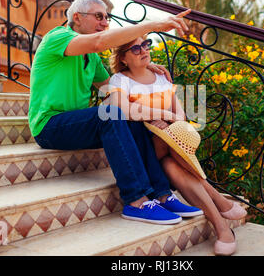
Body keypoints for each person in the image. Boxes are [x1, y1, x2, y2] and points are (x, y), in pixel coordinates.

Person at [29, 0, 202, 226]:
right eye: (98, 16)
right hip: (49, 126)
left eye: (107, 17)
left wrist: (140, 65)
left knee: (127, 115)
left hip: (75, 128)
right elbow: (100, 41)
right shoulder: (57, 38)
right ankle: (136, 201)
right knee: (110, 112)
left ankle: (161, 194)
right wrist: (153, 25)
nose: (104, 22)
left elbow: (115, 87)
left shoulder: (90, 57)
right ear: (77, 18)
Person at [106, 35, 248, 256]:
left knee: (172, 165)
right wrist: (160, 116)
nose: (144, 50)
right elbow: (124, 111)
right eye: (135, 48)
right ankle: (218, 199)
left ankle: (221, 228)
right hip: (142, 147)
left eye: (146, 44)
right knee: (165, 145)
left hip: (167, 146)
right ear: (123, 58)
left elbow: (179, 112)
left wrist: (172, 120)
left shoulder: (160, 77)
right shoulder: (119, 80)